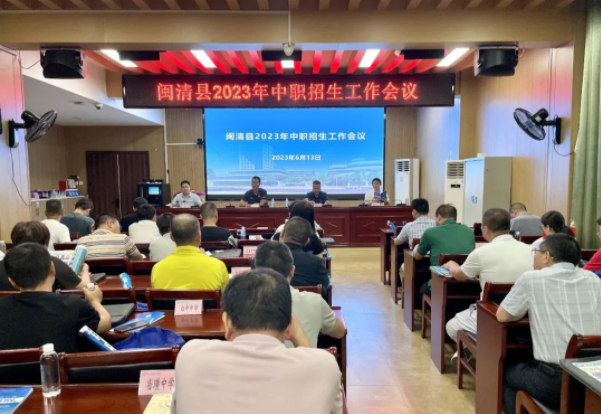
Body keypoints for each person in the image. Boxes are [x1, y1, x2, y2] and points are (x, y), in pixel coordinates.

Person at [172, 268, 343, 414]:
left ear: (227, 324)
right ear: (289, 328)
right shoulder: (325, 366)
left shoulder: (190, 355)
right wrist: (301, 338)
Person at [497, 234, 601, 414]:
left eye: (536, 252)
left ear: (546, 256)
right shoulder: (593, 279)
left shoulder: (531, 279)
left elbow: (503, 316)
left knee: (505, 373)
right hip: (593, 376)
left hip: (556, 380)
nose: (534, 257)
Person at [443, 208, 533, 348]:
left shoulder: (481, 252)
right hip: (526, 313)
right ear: (509, 227)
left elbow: (460, 275)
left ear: (485, 229)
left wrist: (451, 265)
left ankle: (482, 350)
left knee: (451, 326)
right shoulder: (530, 250)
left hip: (494, 312)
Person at [0, 243, 111, 353]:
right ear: (52, 268)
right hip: (57, 365)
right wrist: (95, 301)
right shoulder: (73, 305)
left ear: (11, 281)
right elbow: (105, 323)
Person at [252, 241, 346, 348]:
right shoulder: (314, 302)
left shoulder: (241, 304)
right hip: (305, 358)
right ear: (292, 271)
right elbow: (340, 332)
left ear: (254, 271)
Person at [0, 221, 90, 292]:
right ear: (45, 243)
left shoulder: (3, 264)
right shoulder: (51, 263)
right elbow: (84, 287)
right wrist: (85, 270)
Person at [151, 214, 229, 292]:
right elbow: (226, 297)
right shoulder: (218, 266)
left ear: (172, 237)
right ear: (199, 236)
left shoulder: (157, 269)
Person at [281, 217, 330, 297]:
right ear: (307, 241)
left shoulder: (265, 257)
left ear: (282, 233)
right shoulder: (316, 262)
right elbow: (324, 290)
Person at [77, 213, 144, 260]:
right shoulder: (123, 239)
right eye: (119, 227)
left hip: (91, 276)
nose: (119, 231)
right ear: (110, 224)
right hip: (118, 275)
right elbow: (138, 259)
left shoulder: (81, 241)